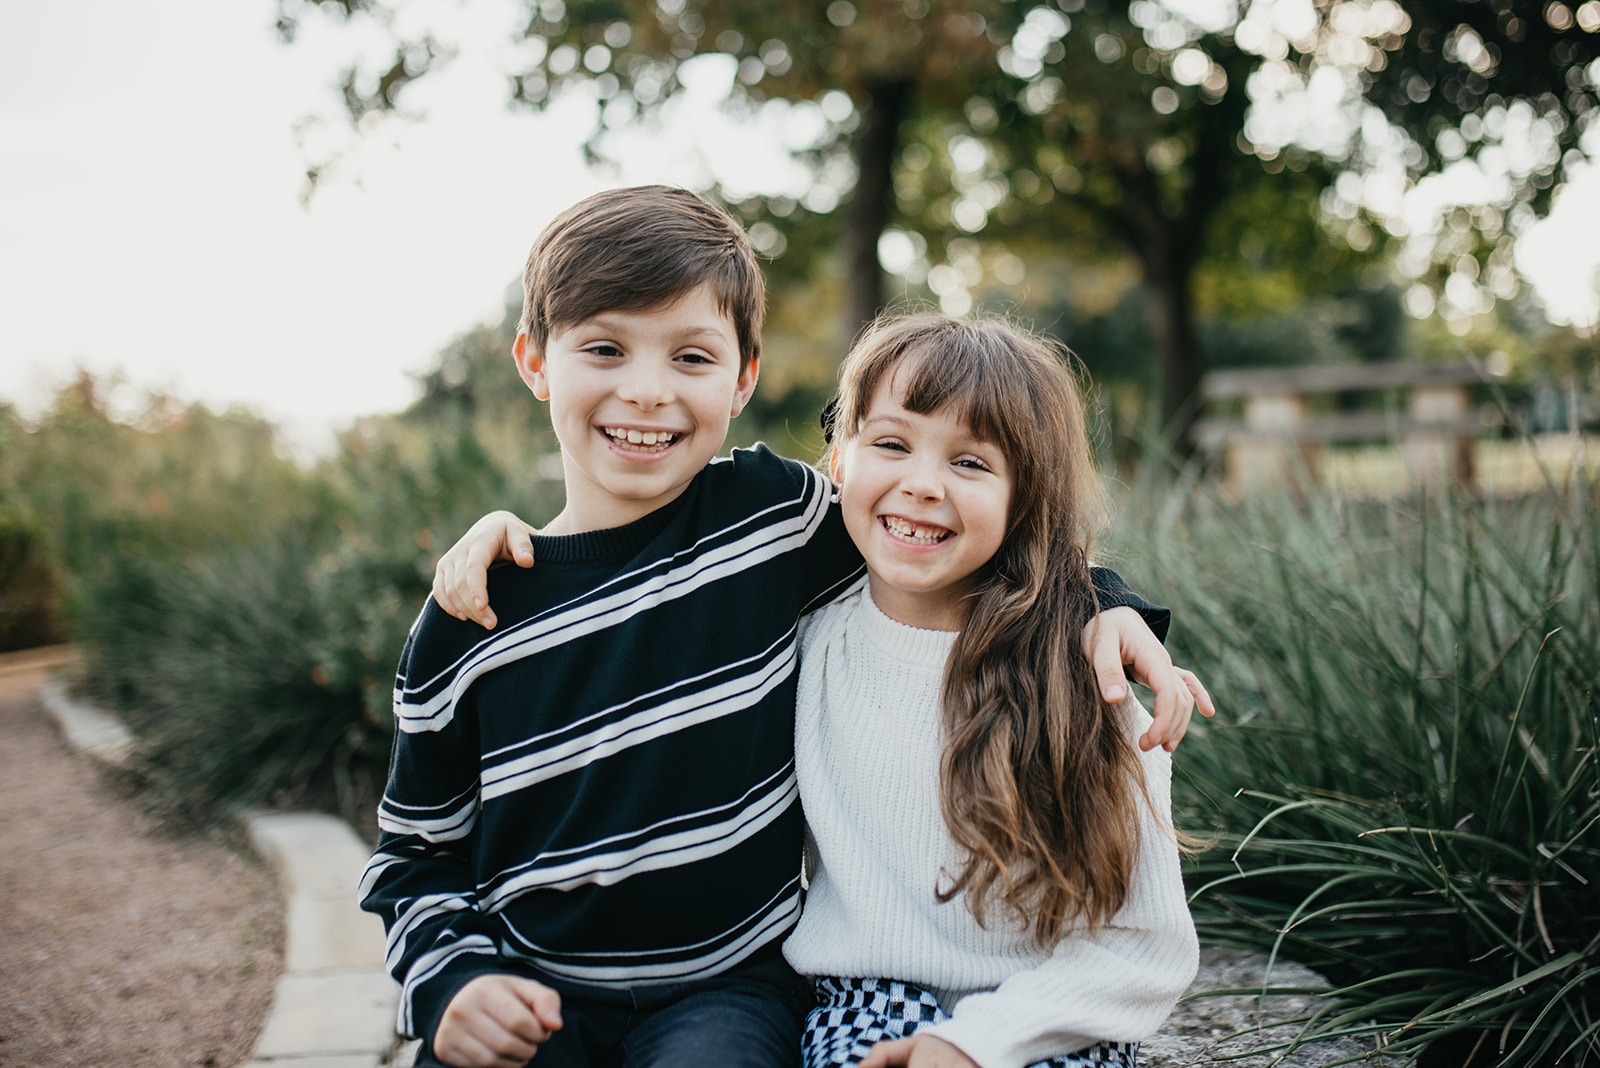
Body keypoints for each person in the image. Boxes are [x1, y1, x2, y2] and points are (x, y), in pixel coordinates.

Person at [364, 185, 1208, 1068]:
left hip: (724, 994)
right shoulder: (475, 612)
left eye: (691, 356)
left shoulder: (772, 522)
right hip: (527, 986)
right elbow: (413, 853)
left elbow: (979, 535)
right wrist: (449, 983)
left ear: (744, 378)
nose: (647, 391)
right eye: (605, 348)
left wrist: (1105, 604)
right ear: (535, 361)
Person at [785, 313, 1198, 1068]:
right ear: (840, 459)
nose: (920, 483)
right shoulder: (803, 644)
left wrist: (972, 1046)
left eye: (971, 463)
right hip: (862, 1006)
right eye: (891, 443)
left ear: (1024, 496)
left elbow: (1146, 947)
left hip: (1049, 1015)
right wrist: (513, 540)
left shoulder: (1088, 674)